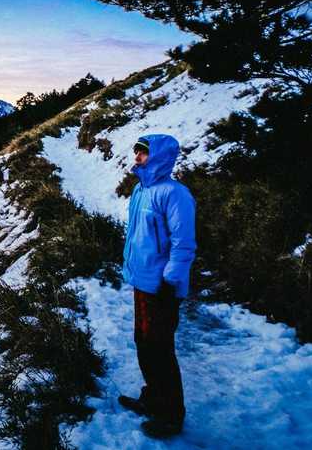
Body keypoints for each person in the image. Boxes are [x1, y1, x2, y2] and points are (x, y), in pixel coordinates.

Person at [117, 134, 197, 439]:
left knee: (161, 349)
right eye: (137, 150)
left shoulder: (175, 194)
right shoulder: (141, 190)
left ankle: (171, 416)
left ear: (160, 156)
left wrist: (170, 281)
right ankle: (153, 399)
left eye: (144, 152)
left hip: (161, 286)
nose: (137, 156)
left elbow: (183, 244)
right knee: (144, 344)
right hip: (143, 281)